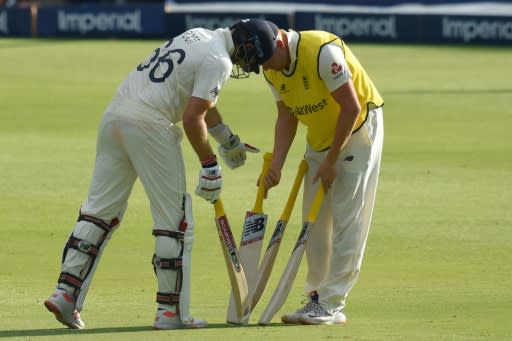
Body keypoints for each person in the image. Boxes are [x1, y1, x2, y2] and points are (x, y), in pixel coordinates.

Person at [43, 18, 280, 330]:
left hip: (115, 116)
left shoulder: (197, 35)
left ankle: (65, 293)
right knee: (176, 222)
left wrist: (228, 139)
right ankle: (171, 313)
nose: (247, 64)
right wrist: (209, 164)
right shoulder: (220, 60)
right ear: (247, 43)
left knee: (98, 213)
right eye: (251, 57)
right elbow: (193, 116)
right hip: (150, 126)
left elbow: (198, 99)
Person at [261, 23, 384, 325]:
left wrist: (332, 161)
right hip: (319, 136)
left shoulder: (319, 51)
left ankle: (332, 304)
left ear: (278, 44)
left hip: (359, 130)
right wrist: (276, 164)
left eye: (265, 59)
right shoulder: (270, 69)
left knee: (347, 218)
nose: (264, 67)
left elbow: (351, 107)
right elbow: (286, 116)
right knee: (313, 224)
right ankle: (316, 298)